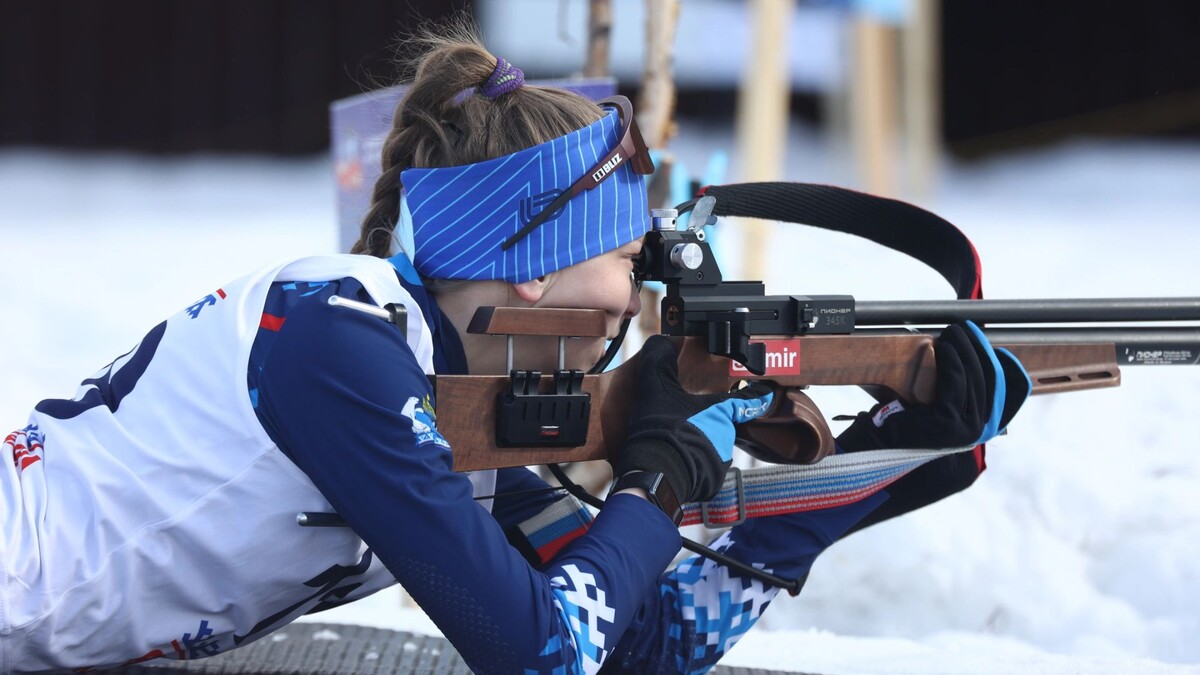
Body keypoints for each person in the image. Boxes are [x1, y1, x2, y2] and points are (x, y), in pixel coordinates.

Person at [0, 25, 1030, 675]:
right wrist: (660, 478)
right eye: (627, 258)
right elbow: (540, 654)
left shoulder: (461, 398)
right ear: (535, 266)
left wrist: (876, 465)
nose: (641, 290)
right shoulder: (337, 337)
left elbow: (639, 646)